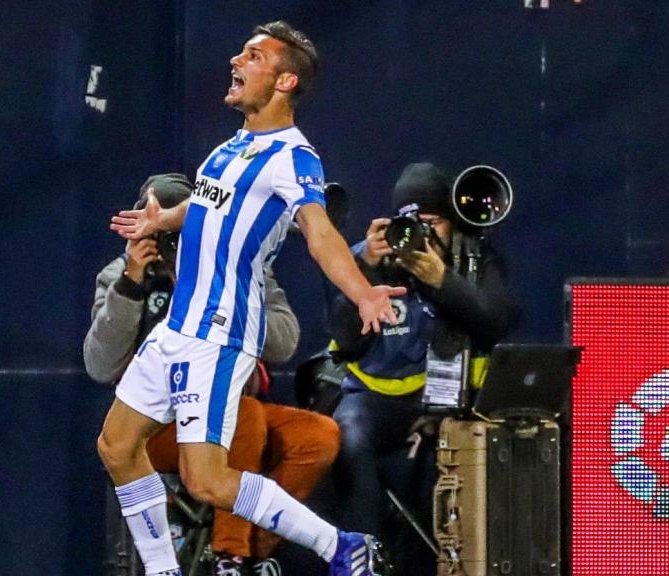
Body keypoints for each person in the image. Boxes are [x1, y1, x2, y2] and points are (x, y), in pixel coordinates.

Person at [97, 21, 404, 576]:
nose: (236, 60)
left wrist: (362, 292)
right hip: (176, 331)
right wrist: (165, 216)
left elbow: (319, 234)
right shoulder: (230, 148)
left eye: (253, 55)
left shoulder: (294, 158)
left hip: (217, 334)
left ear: (285, 81)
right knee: (117, 447)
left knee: (207, 479)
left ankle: (341, 546)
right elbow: (209, 204)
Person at [85, 173, 342, 575]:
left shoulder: (235, 267)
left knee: (317, 437)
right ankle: (230, 556)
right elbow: (100, 365)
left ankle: (255, 551)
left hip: (228, 406)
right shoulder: (120, 275)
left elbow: (285, 341)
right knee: (245, 420)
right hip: (159, 427)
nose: (171, 243)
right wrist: (134, 284)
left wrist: (226, 298)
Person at [328, 162, 520, 574]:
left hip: (450, 397)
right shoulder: (364, 258)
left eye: (432, 223)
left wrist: (442, 280)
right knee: (349, 436)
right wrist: (366, 274)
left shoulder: (473, 260)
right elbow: (345, 340)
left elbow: (496, 323)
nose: (422, 234)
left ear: (453, 222)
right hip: (375, 398)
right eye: (411, 223)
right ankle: (364, 560)